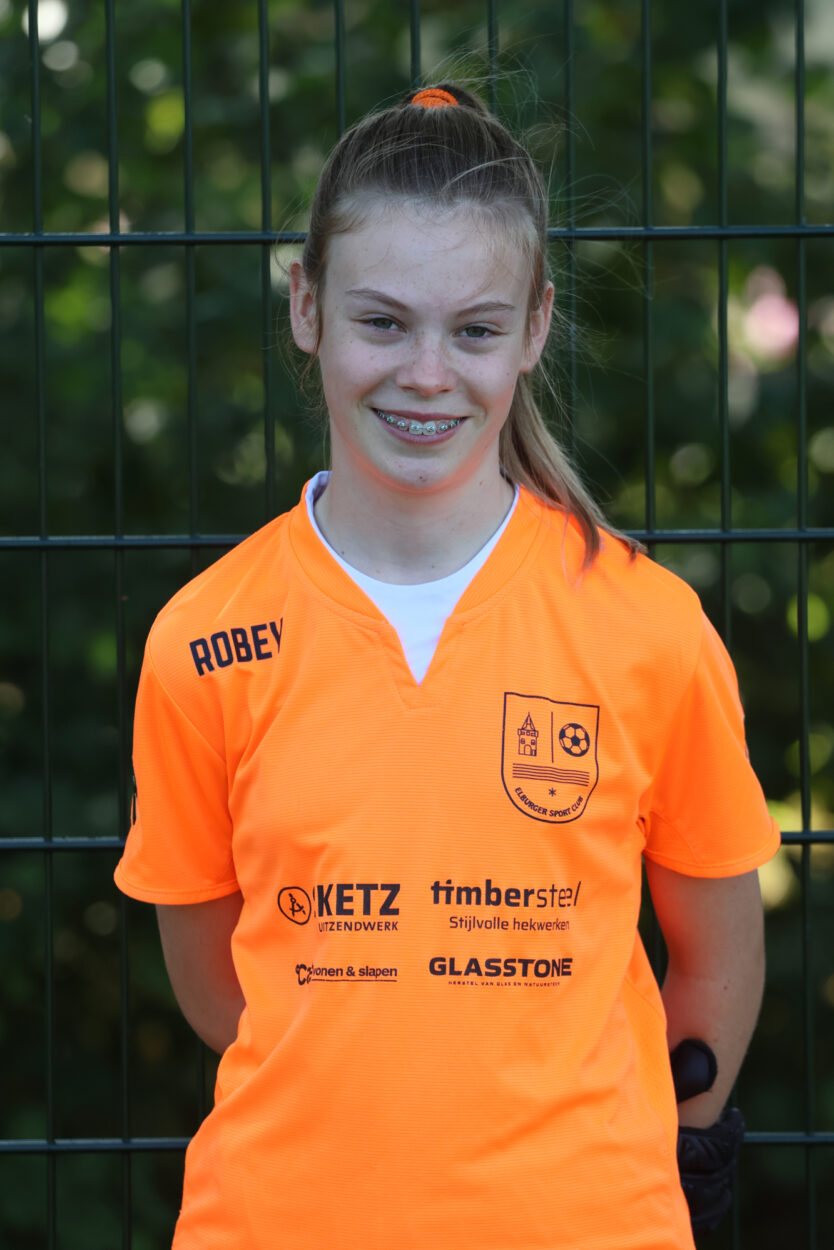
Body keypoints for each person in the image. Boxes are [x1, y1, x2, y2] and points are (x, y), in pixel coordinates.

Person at [114, 83, 780, 1250]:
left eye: (474, 330)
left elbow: (719, 956)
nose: (427, 373)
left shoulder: (649, 625)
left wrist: (654, 1149)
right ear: (307, 307)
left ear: (533, 329)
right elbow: (220, 987)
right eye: (383, 322)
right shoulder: (203, 638)